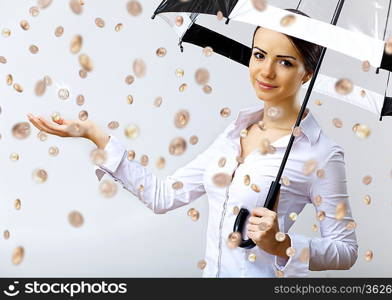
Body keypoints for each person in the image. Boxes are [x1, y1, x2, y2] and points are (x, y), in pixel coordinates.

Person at [27, 9, 358, 278]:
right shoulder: (234, 134)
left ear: (306, 73)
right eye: (259, 55)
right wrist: (94, 135)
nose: (266, 71)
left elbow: (345, 251)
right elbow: (164, 195)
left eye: (285, 62)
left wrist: (281, 243)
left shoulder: (321, 154)